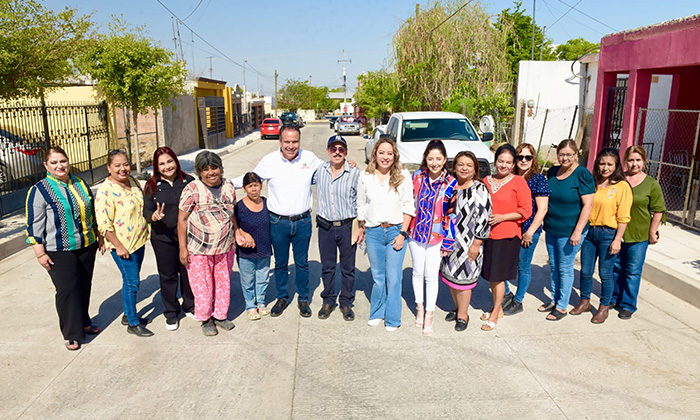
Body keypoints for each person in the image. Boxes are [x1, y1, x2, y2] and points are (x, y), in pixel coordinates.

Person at [233, 124, 323, 318]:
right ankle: (282, 297)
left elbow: (329, 169)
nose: (291, 146)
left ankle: (303, 299)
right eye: (287, 142)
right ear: (280, 142)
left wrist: (349, 164)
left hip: (303, 222)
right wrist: (224, 183)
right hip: (277, 222)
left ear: (299, 141)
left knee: (302, 263)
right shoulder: (269, 161)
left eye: (295, 141)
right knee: (281, 263)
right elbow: (249, 178)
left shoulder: (309, 158)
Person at [25, 147, 102, 350]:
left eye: (63, 161)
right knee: (67, 289)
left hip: (86, 244)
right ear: (46, 165)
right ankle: (72, 333)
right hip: (58, 249)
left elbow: (91, 212)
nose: (60, 166)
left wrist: (99, 236)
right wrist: (40, 253)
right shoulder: (39, 190)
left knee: (84, 285)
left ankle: (84, 322)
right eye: (54, 162)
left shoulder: (80, 183)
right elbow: (34, 225)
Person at [178, 151, 242, 336]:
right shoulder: (192, 189)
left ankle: (221, 315)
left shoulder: (229, 186)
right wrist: (183, 249)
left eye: (214, 167)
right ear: (199, 172)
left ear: (220, 168)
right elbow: (182, 220)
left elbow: (232, 214)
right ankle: (206, 319)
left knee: (223, 283)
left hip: (225, 247)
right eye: (205, 169)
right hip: (199, 249)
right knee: (203, 286)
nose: (211, 172)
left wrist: (236, 231)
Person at [357, 136, 414, 332]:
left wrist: (402, 234)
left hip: (395, 231)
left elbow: (408, 206)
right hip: (373, 232)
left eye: (389, 153)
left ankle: (392, 318)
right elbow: (361, 205)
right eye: (381, 152)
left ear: (395, 155)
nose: (385, 157)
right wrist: (361, 228)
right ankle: (377, 312)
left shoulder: (404, 176)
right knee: (378, 277)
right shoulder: (365, 176)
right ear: (375, 154)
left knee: (394, 277)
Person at [95, 150, 153, 337]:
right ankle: (133, 323)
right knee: (132, 282)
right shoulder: (106, 190)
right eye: (117, 165)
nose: (123, 169)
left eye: (125, 164)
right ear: (109, 168)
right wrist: (118, 246)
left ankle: (129, 314)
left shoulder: (134, 182)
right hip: (123, 246)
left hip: (139, 242)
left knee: (131, 280)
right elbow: (104, 223)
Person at [571, 148, 632, 324]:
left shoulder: (622, 186)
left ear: (616, 166)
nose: (605, 168)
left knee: (605, 274)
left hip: (608, 234)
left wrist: (617, 240)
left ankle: (604, 307)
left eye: (609, 164)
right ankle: (585, 301)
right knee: (586, 271)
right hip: (590, 232)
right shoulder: (593, 182)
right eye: (602, 163)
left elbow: (624, 216)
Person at [407, 139, 457, 336]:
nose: (434, 162)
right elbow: (408, 201)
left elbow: (452, 213)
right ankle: (419, 308)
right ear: (425, 159)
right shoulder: (417, 177)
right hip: (416, 233)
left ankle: (430, 314)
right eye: (430, 158)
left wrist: (449, 240)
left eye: (438, 158)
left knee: (431, 276)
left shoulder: (451, 183)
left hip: (438, 236)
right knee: (417, 273)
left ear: (445, 159)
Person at [541, 139, 595, 321]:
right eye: (561, 154)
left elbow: (588, 205)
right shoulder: (553, 172)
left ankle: (562, 306)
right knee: (554, 265)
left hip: (571, 230)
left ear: (575, 155)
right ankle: (555, 299)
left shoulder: (583, 175)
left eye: (568, 155)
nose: (564, 158)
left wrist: (578, 231)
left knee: (565, 267)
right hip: (552, 227)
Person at [480, 144, 532, 331]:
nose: (504, 165)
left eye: (508, 162)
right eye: (501, 161)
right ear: (495, 161)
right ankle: (498, 307)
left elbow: (526, 210)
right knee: (491, 277)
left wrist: (503, 217)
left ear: (513, 165)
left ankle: (495, 313)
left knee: (499, 277)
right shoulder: (486, 180)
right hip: (488, 235)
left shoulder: (518, 182)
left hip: (508, 236)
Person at [143, 147, 195, 331]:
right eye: (162, 164)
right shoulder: (151, 185)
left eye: (170, 161)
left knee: (188, 272)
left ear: (176, 161)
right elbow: (146, 211)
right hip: (162, 238)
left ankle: (190, 305)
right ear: (156, 167)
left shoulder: (189, 181)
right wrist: (154, 217)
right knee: (168, 275)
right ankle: (171, 312)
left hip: (187, 236)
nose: (167, 167)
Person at [612, 146, 666, 319]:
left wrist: (652, 232)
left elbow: (658, 210)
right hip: (617, 232)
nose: (634, 164)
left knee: (632, 270)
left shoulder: (651, 184)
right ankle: (614, 297)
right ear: (625, 161)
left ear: (644, 161)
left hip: (638, 235)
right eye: (630, 160)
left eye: (638, 160)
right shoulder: (619, 180)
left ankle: (628, 304)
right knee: (615, 267)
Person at [440, 151, 492, 332]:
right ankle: (456, 308)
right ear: (454, 167)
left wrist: (476, 244)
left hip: (469, 243)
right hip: (449, 242)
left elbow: (485, 218)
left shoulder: (479, 188)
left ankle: (463, 315)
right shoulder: (450, 186)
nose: (464, 168)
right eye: (461, 164)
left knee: (464, 281)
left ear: (475, 169)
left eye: (469, 165)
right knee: (452, 279)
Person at [313, 135, 362, 322]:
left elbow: (362, 201)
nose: (337, 152)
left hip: (347, 226)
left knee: (348, 268)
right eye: (333, 149)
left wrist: (361, 227)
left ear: (346, 152)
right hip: (325, 226)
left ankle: (346, 302)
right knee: (327, 266)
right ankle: (328, 301)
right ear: (327, 151)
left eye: (341, 149)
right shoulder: (319, 171)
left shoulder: (355, 173)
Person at [503, 143, 551, 315]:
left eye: (528, 157)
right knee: (505, 264)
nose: (523, 160)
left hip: (528, 231)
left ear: (533, 160)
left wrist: (530, 231)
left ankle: (518, 300)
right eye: (520, 157)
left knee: (523, 266)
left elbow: (542, 209)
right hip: (509, 228)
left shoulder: (538, 180)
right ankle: (506, 293)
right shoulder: (509, 177)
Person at [235, 172, 273, 321]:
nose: (253, 189)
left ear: (261, 186)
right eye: (250, 186)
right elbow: (235, 225)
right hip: (245, 251)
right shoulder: (240, 206)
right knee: (248, 279)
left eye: (256, 185)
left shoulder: (267, 203)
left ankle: (261, 302)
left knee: (263, 278)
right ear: (244, 188)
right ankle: (250, 305)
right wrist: (242, 233)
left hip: (264, 248)